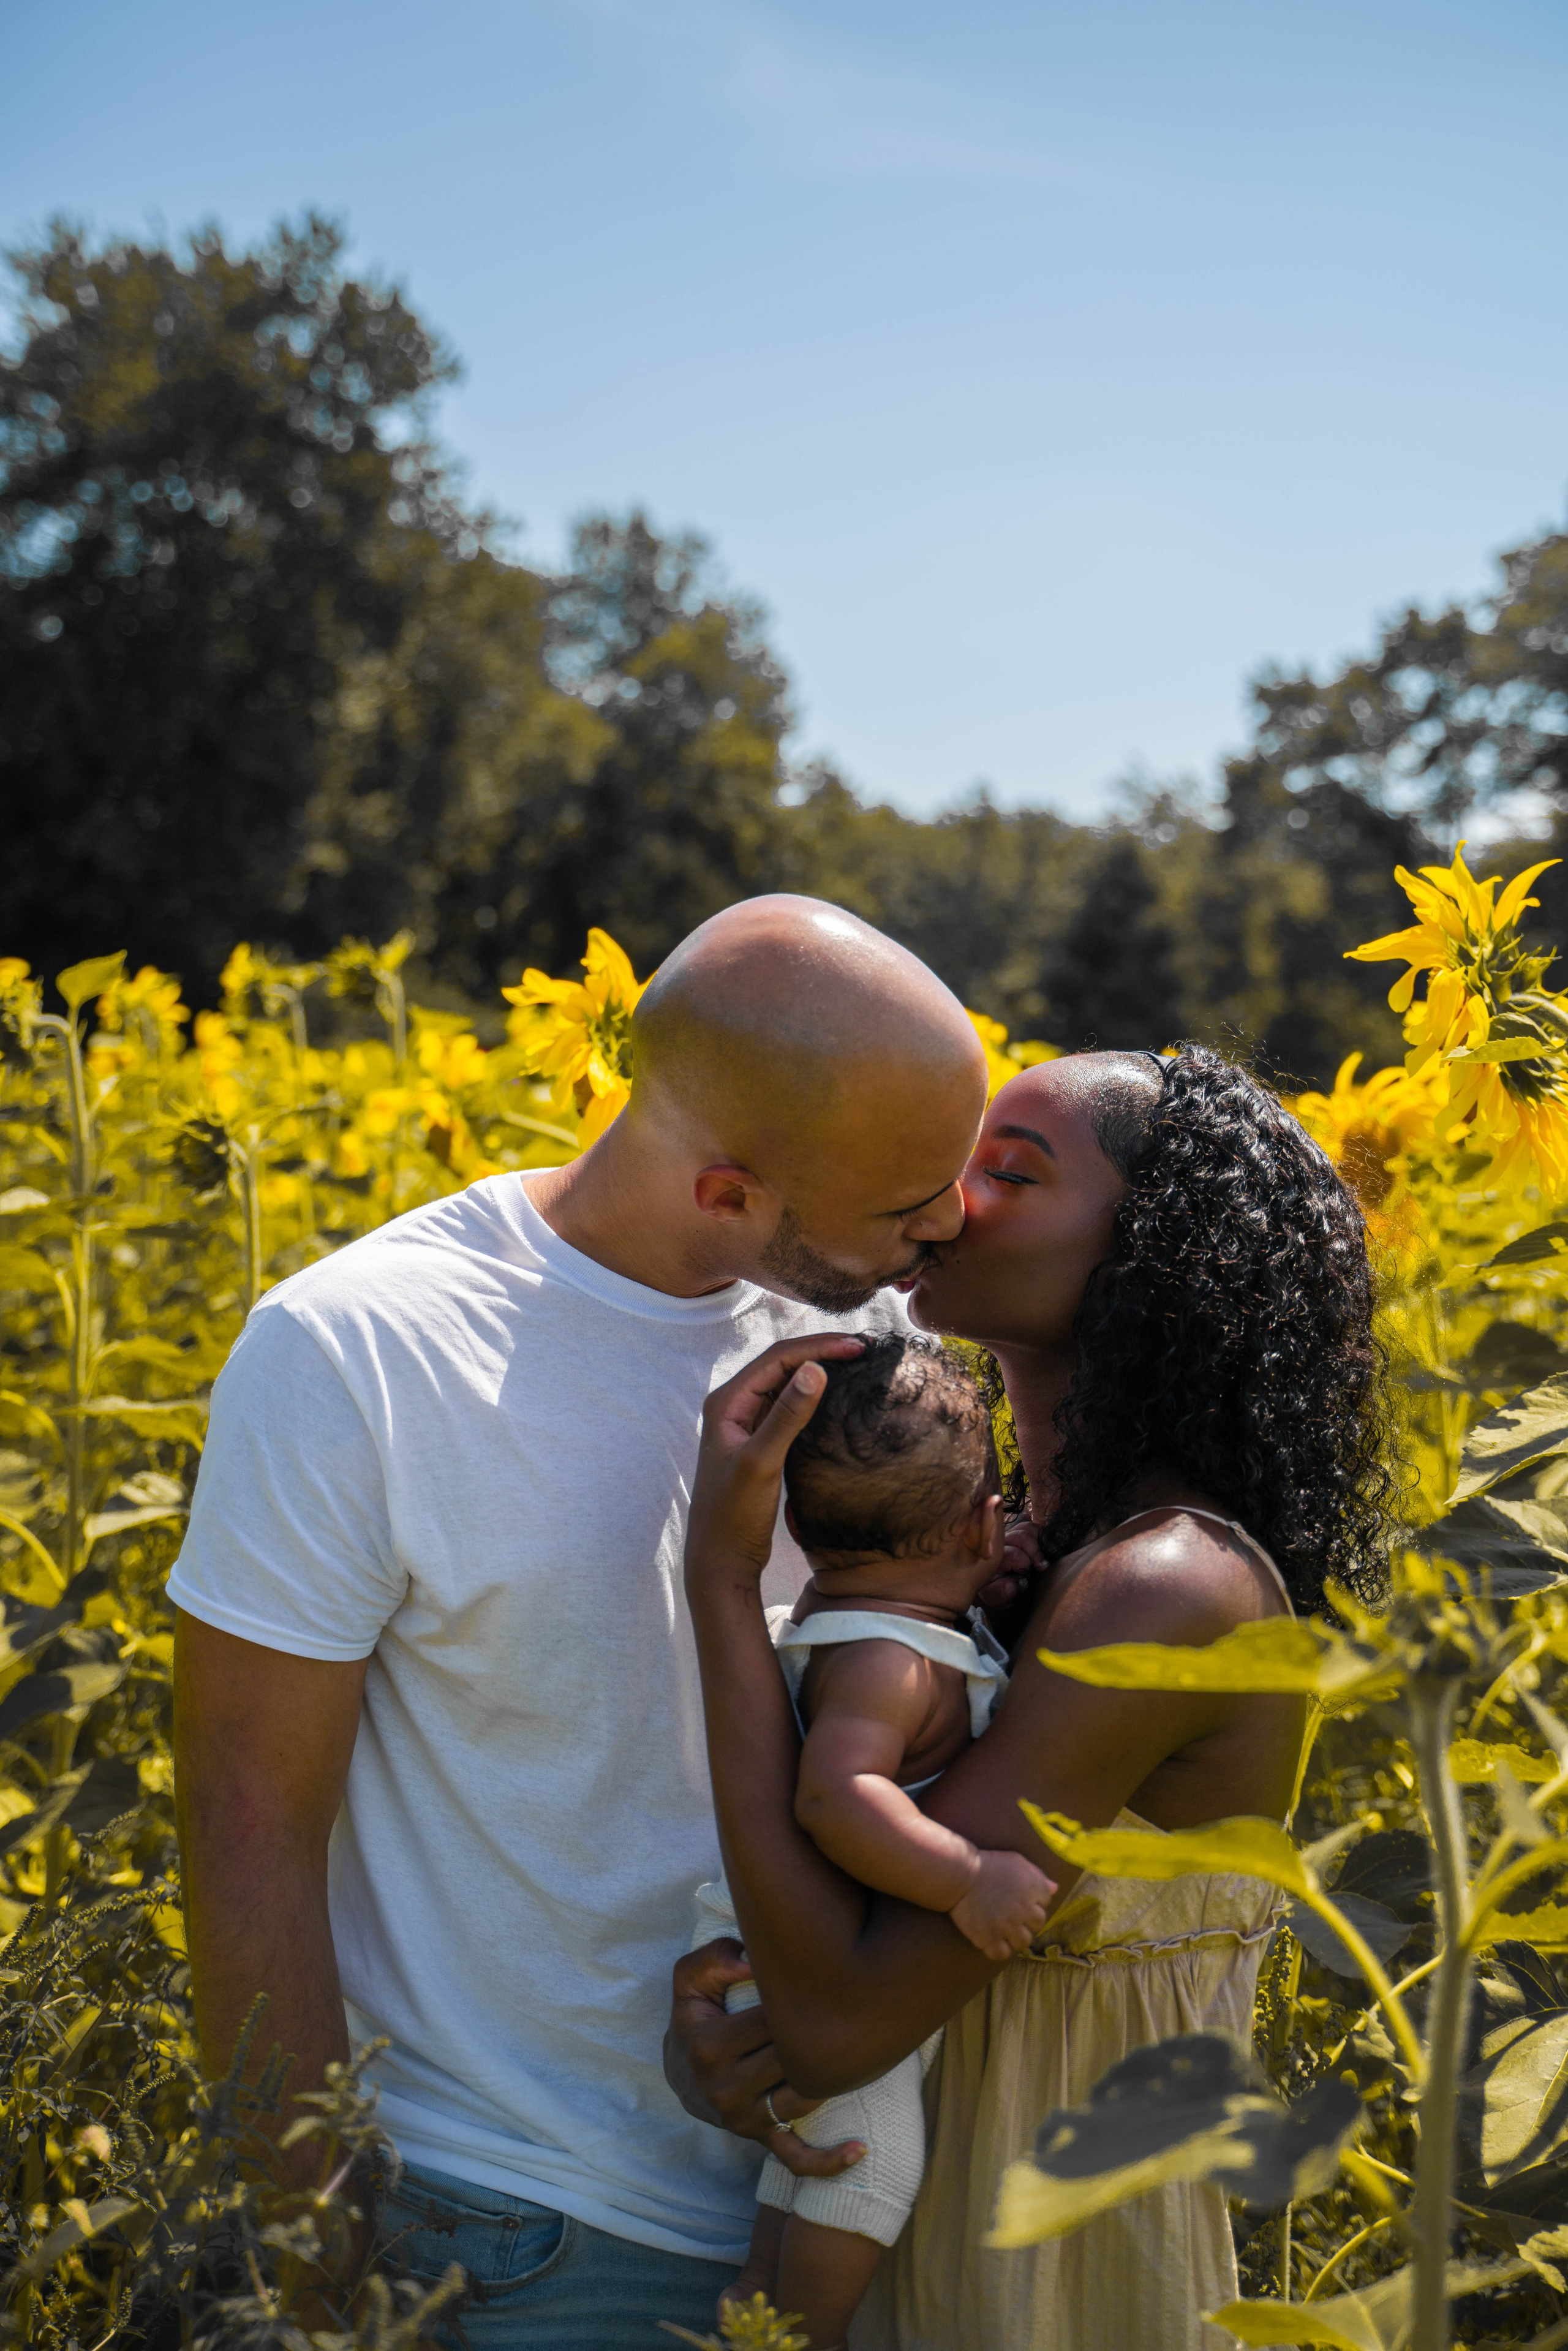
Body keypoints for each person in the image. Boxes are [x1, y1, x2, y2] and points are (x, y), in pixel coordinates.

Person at [168, 894, 991, 2348]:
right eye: (900, 1203)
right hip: (507, 2229)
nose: (948, 1224)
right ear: (727, 1191)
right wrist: (315, 2254)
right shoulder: (360, 1347)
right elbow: (248, 1825)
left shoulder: (878, 1341)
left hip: (838, 2204)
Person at [668, 1043, 1393, 2350]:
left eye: (1007, 1169)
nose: (946, 1192)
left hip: (1050, 2283)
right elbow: (840, 1983)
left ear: (1156, 1262)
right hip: (907, 2230)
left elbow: (842, 2016)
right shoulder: (998, 1560)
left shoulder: (1165, 1583)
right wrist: (738, 2051)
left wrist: (723, 1581)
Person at [690, 1337, 1051, 2350]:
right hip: (825, 1943)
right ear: (983, 1523)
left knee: (805, 2161)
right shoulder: (890, 1663)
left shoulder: (853, 1611)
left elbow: (926, 1598)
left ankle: (757, 2300)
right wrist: (968, 1874)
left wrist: (983, 1579)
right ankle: (801, 2337)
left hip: (784, 1943)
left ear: (803, 1526)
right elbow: (837, 1798)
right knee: (870, 2161)